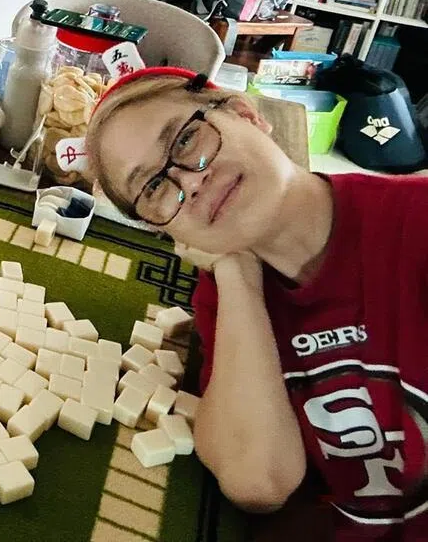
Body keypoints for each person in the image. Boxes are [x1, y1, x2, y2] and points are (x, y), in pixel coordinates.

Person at [83, 67, 427, 539]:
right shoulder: (225, 302)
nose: (191, 181)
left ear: (245, 113)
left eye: (186, 141)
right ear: (164, 230)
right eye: (155, 188)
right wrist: (234, 269)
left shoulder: (416, 222)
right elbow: (260, 481)